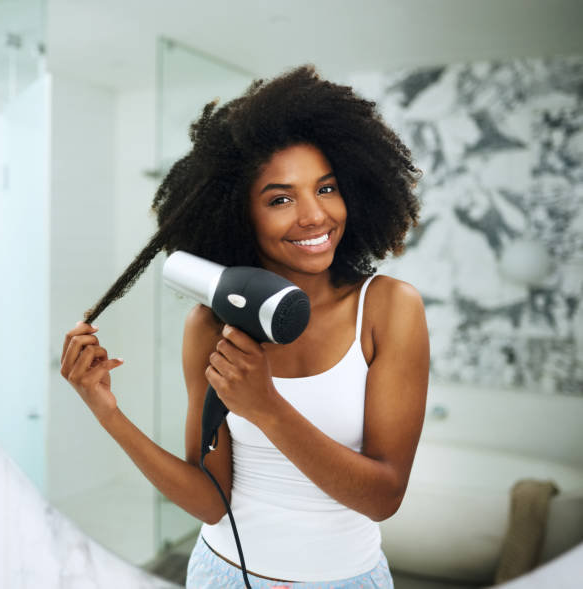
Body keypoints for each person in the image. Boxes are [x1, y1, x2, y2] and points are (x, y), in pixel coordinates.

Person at [60, 64, 429, 588]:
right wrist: (107, 410)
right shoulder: (210, 325)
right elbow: (211, 501)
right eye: (280, 199)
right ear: (239, 215)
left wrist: (266, 407)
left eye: (326, 189)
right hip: (223, 574)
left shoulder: (389, 308)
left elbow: (383, 497)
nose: (314, 216)